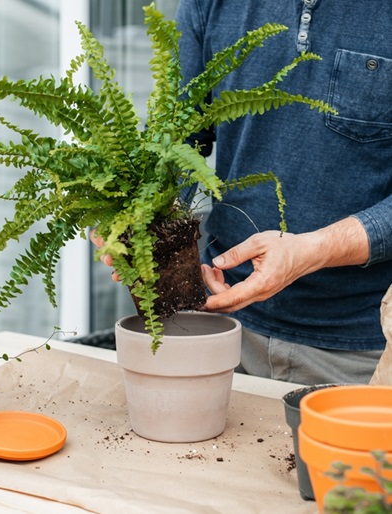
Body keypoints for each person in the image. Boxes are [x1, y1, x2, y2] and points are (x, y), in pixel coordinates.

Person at [95, 0, 392, 385]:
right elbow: (176, 137)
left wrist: (314, 249)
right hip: (215, 321)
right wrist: (134, 214)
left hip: (363, 349)